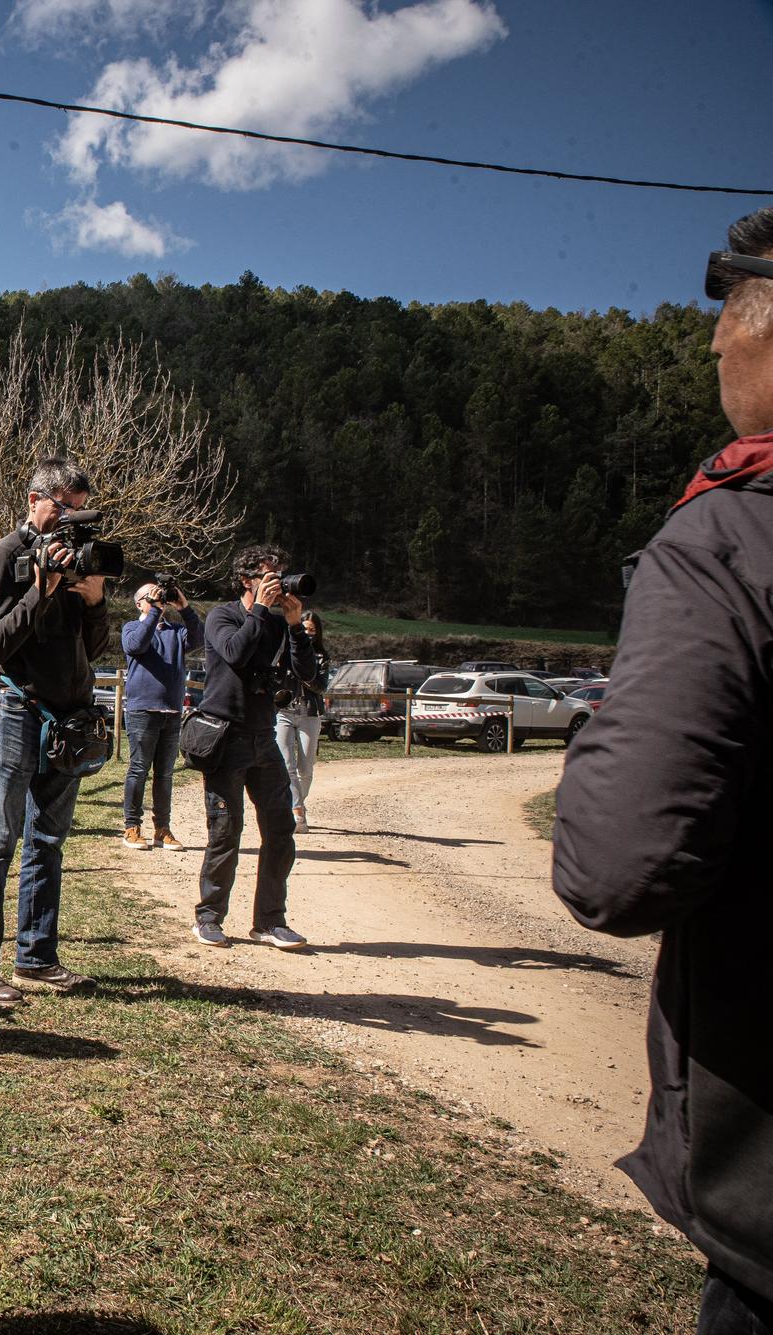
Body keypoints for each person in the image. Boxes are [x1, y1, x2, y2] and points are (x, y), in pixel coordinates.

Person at [553, 210, 773, 1335]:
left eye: (727, 313)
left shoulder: (732, 542)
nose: (708, 346)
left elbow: (615, 866)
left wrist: (608, 728)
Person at [0, 457, 114, 1009]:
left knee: (48, 841)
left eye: (79, 513)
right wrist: (41, 590)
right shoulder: (4, 556)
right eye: (64, 510)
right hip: (22, 712)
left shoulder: (77, 563)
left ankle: (37, 955)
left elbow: (92, 650)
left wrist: (94, 600)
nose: (72, 523)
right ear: (33, 501)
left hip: (71, 718)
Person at [193, 545, 317, 951]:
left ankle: (269, 921)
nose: (277, 583)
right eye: (268, 575)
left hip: (264, 736)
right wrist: (259, 611)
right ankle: (209, 918)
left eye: (280, 574)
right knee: (226, 832)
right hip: (225, 737)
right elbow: (234, 652)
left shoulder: (282, 624)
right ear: (247, 579)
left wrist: (295, 625)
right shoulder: (222, 616)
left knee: (281, 830)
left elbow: (307, 672)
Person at [120, 580, 203, 851]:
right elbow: (137, 646)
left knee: (165, 774)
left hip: (171, 710)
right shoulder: (132, 628)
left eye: (160, 596)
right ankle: (131, 827)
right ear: (139, 603)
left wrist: (185, 607)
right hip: (142, 710)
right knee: (138, 769)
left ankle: (162, 829)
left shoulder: (176, 632)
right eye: (150, 596)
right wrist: (154, 611)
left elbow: (199, 639)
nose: (158, 600)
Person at [274, 610, 331, 833]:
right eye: (304, 628)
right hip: (284, 711)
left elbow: (321, 685)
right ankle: (297, 810)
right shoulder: (285, 652)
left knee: (306, 767)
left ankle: (298, 802)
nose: (307, 633)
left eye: (311, 630)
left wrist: (305, 672)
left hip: (309, 711)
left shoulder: (321, 657)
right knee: (287, 764)